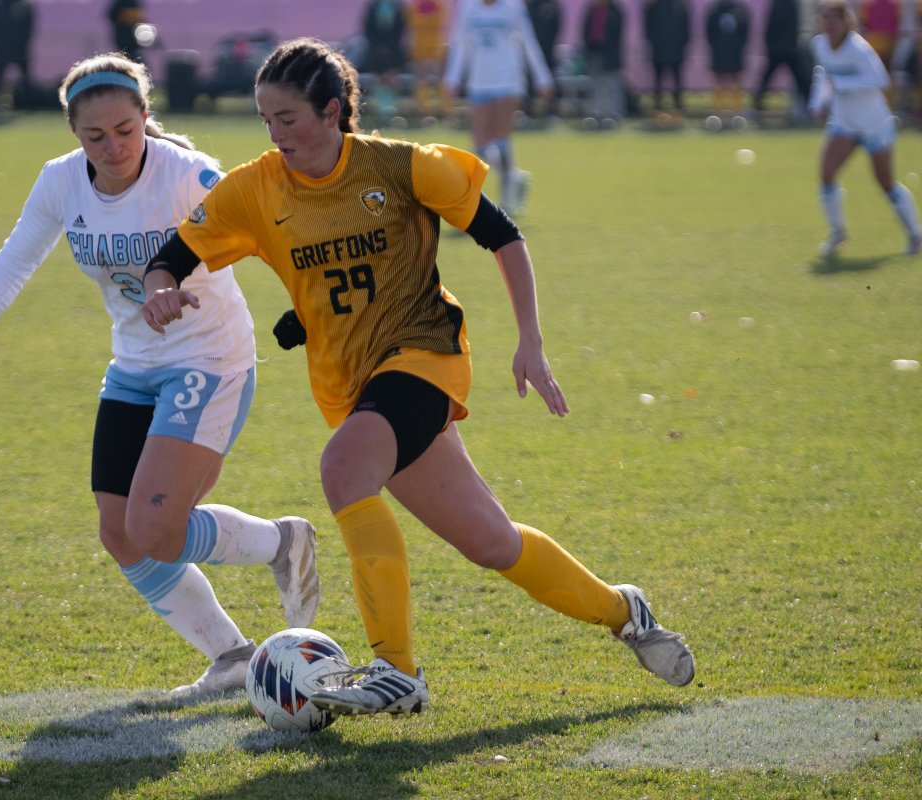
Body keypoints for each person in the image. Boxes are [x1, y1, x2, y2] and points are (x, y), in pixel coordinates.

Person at [140, 37, 695, 718]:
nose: (275, 134)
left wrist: (530, 341)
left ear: (333, 110)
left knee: (344, 471)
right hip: (354, 384)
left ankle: (397, 671)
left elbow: (503, 236)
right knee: (492, 542)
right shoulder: (256, 188)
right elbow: (170, 257)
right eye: (266, 120)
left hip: (426, 353)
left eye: (287, 118)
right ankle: (624, 609)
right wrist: (161, 289)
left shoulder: (400, 168)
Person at [0, 52, 321, 699]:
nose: (113, 148)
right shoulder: (60, 183)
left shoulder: (188, 174)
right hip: (135, 367)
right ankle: (229, 657)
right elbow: (16, 257)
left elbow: (271, 228)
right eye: (95, 137)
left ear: (146, 117)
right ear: (74, 135)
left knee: (158, 530)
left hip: (209, 359)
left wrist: (302, 308)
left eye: (125, 131)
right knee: (121, 533)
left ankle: (281, 543)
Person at [810, 0, 922, 256]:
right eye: (824, 20)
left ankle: (916, 235)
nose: (828, 25)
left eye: (833, 20)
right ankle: (838, 233)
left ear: (845, 22)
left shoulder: (858, 48)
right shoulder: (819, 45)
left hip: (873, 124)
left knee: (885, 182)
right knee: (826, 173)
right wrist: (817, 103)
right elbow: (823, 75)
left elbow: (880, 79)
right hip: (844, 123)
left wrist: (842, 83)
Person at [444, 0, 554, 215]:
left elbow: (528, 42)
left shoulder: (513, 8)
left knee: (501, 139)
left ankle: (506, 199)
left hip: (508, 80)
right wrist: (452, 79)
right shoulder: (469, 7)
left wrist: (543, 78)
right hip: (479, 81)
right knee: (480, 145)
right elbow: (460, 43)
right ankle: (516, 177)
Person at [752, 0, 811, 121]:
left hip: (783, 49)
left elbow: (771, 25)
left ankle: (810, 107)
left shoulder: (781, 3)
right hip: (785, 48)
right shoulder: (787, 3)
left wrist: (770, 46)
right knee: (801, 80)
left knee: (801, 80)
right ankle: (756, 106)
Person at [405, 0, 453, 121]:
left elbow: (440, 20)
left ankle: (447, 111)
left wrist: (424, 20)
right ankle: (424, 112)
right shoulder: (416, 4)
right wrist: (427, 20)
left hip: (437, 46)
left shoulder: (440, 4)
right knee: (421, 79)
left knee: (442, 79)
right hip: (420, 45)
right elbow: (411, 20)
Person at [581, 0, 626, 123]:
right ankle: (596, 113)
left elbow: (616, 35)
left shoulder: (615, 11)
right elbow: (585, 30)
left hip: (609, 54)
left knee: (611, 84)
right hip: (594, 52)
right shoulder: (591, 10)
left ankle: (613, 113)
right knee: (595, 84)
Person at [644, 0, 691, 113]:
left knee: (677, 79)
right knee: (658, 79)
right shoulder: (653, 6)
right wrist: (655, 42)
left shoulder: (680, 6)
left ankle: (678, 105)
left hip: (676, 49)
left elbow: (686, 29)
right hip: (659, 49)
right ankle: (658, 106)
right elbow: (648, 27)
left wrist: (681, 44)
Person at [705, 0, 750, 116]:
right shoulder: (714, 11)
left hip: (735, 52)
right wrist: (715, 47)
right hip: (719, 51)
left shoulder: (740, 11)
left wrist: (738, 46)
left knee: (736, 78)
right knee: (719, 79)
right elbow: (709, 32)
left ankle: (737, 110)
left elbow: (745, 32)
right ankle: (718, 110)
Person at [0, 0, 35, 109]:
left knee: (26, 80)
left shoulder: (24, 6)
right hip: (3, 49)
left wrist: (23, 44)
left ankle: (30, 104)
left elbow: (29, 28)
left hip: (19, 49)